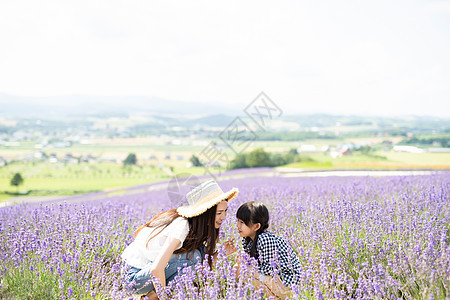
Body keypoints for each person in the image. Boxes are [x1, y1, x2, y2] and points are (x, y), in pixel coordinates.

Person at [121, 179, 238, 299]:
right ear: (205, 213)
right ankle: (151, 297)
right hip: (133, 277)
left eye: (225, 211)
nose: (223, 217)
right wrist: (163, 297)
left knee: (195, 257)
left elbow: (202, 263)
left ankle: (151, 296)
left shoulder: (197, 228)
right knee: (193, 258)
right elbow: (157, 269)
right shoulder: (182, 226)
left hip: (147, 272)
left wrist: (221, 254)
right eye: (219, 213)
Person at [236, 201, 301, 299]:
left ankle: (287, 295)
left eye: (242, 222)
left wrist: (249, 267)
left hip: (287, 279)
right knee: (238, 269)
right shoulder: (248, 240)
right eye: (238, 221)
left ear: (256, 226)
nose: (238, 225)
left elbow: (269, 270)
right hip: (273, 279)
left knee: (245, 270)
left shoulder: (265, 239)